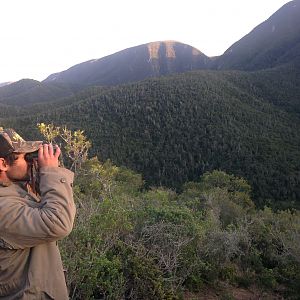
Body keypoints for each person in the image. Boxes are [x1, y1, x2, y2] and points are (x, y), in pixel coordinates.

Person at [0, 128, 76, 299]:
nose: (30, 162)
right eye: (24, 157)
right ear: (3, 164)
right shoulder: (3, 207)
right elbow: (58, 222)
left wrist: (41, 177)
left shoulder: (14, 189)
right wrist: (51, 173)